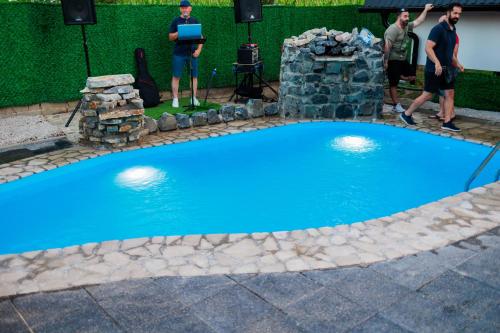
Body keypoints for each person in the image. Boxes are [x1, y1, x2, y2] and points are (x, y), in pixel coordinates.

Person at [400, 2, 463, 132]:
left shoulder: (453, 30)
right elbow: (428, 48)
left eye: (459, 14)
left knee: (450, 94)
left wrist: (458, 64)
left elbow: (449, 53)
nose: (457, 16)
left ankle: (447, 122)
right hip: (434, 69)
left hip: (447, 70)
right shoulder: (438, 29)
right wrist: (437, 63)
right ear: (449, 12)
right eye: (455, 13)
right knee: (428, 95)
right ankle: (406, 114)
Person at [384, 4, 434, 113]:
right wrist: (386, 62)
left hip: (402, 59)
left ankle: (399, 76)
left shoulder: (406, 26)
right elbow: (387, 46)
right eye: (405, 16)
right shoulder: (392, 29)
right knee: (393, 84)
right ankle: (396, 105)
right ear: (399, 17)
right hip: (393, 60)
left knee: (412, 76)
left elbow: (419, 21)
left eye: (408, 16)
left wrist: (425, 9)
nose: (408, 18)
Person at [430, 15, 465, 121]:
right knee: (441, 91)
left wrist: (457, 64)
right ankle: (442, 112)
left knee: (448, 93)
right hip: (442, 65)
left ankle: (451, 113)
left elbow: (453, 53)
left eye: (442, 23)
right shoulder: (442, 33)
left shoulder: (453, 35)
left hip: (450, 66)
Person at [169, 0, 203, 108]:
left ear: (190, 8)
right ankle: (175, 99)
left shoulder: (194, 20)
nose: (184, 9)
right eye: (182, 7)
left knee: (194, 76)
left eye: (186, 7)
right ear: (180, 9)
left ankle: (193, 98)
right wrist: (180, 31)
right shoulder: (176, 21)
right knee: (176, 76)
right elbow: (170, 37)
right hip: (179, 53)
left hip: (192, 54)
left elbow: (200, 38)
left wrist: (198, 50)